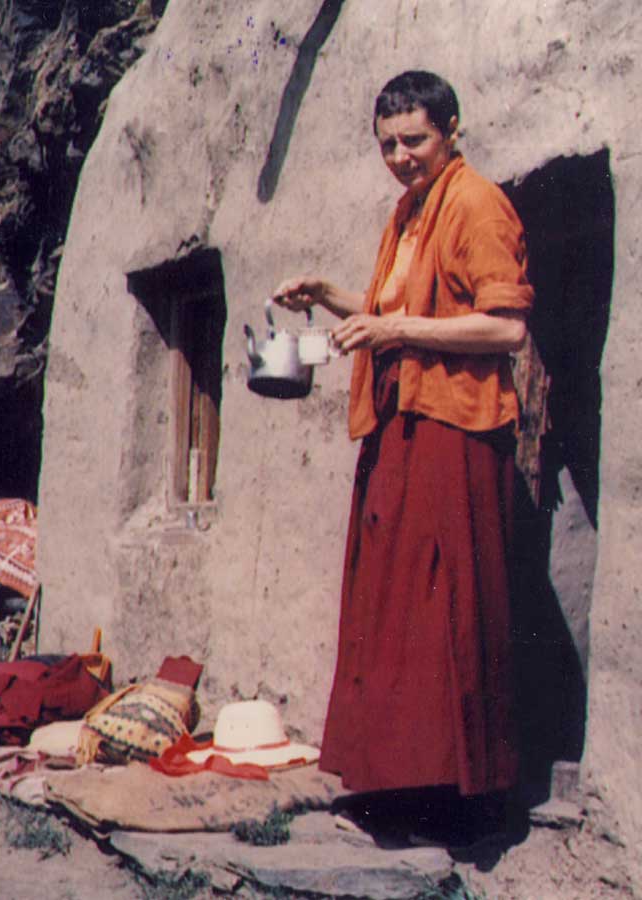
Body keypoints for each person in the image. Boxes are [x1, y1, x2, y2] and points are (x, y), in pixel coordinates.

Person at [272, 70, 533, 846]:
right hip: (399, 422)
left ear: (450, 128)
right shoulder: (409, 212)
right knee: (390, 612)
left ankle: (461, 804)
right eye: (386, 144)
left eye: (414, 140)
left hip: (453, 429)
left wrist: (395, 333)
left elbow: (506, 329)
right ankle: (396, 788)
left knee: (443, 610)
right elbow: (397, 314)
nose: (399, 157)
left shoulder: (477, 203)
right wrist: (332, 297)